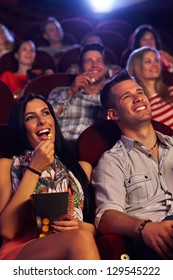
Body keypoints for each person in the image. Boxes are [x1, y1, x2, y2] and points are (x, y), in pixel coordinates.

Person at [0, 93, 100, 260]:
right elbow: (7, 230)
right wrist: (34, 169)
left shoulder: (82, 168)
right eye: (31, 117)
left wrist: (79, 226)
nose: (42, 121)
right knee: (80, 239)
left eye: (46, 113)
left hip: (73, 248)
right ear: (21, 128)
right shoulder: (6, 165)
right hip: (21, 252)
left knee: (82, 237)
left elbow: (93, 229)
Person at [92, 70, 173, 260]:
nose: (138, 98)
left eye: (140, 92)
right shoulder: (112, 161)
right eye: (127, 97)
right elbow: (106, 217)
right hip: (157, 239)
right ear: (113, 114)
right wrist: (144, 227)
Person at [47, 43, 107, 152]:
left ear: (105, 68)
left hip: (96, 152)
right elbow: (46, 121)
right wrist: (70, 91)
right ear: (80, 68)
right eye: (88, 61)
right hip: (61, 149)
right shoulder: (59, 92)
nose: (94, 65)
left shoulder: (111, 97)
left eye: (99, 61)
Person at [126, 46, 173, 129]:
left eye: (157, 60)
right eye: (148, 61)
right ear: (136, 67)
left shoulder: (171, 91)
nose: (155, 64)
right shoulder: (137, 105)